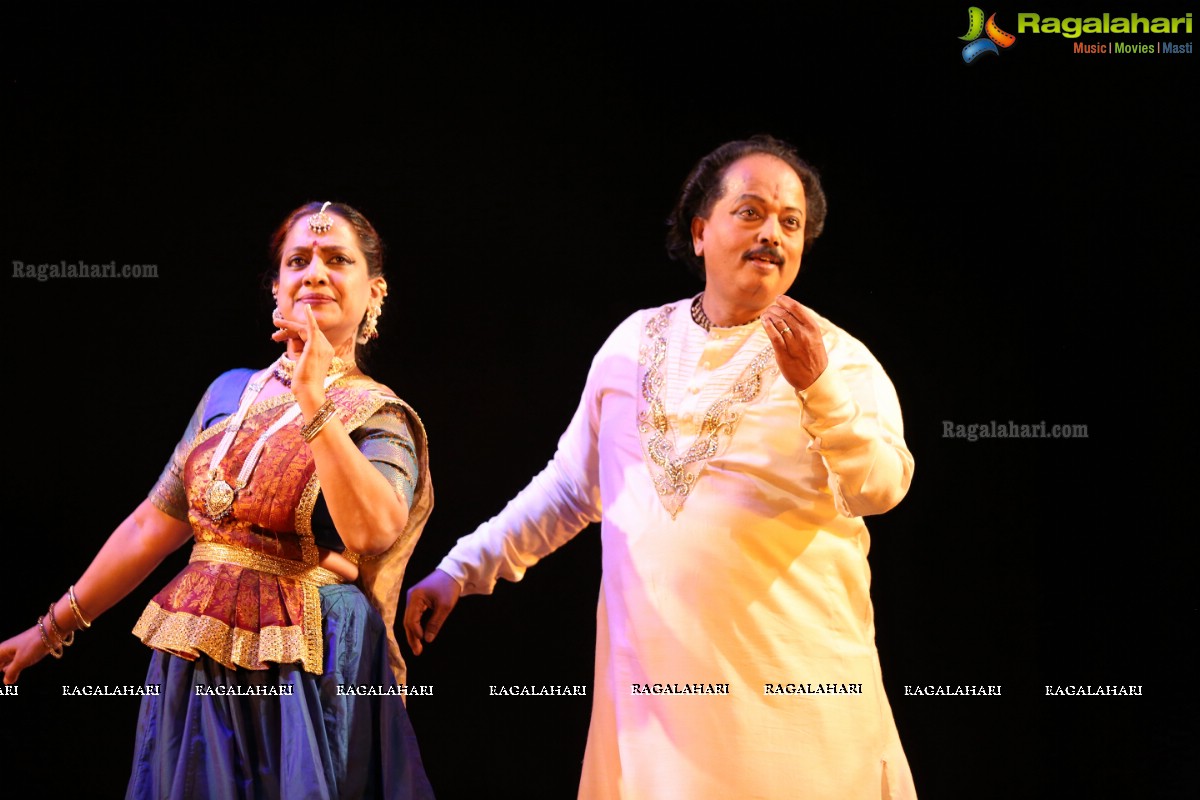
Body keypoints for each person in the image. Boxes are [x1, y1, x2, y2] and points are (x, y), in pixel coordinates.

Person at [403, 135, 918, 799]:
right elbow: (570, 489)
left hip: (795, 704)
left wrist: (817, 389)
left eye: (790, 223)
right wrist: (460, 569)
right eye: (752, 212)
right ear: (701, 231)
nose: (772, 234)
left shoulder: (840, 360)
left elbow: (881, 487)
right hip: (656, 710)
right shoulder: (631, 345)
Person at [0, 201, 436, 799]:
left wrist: (314, 399)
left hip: (307, 665)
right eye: (298, 261)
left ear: (374, 291)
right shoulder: (227, 392)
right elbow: (150, 527)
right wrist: (50, 629)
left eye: (338, 260)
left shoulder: (380, 415)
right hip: (196, 655)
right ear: (277, 288)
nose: (314, 273)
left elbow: (373, 533)